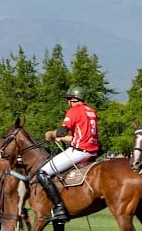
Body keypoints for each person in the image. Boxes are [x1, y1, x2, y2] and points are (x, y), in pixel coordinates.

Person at [40, 86, 100, 223]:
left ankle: (59, 208)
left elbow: (62, 131)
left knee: (42, 172)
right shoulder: (92, 112)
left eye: (68, 99)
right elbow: (82, 136)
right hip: (93, 152)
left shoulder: (74, 111)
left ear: (72, 99)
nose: (68, 102)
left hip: (79, 152)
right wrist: (62, 139)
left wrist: (52, 134)